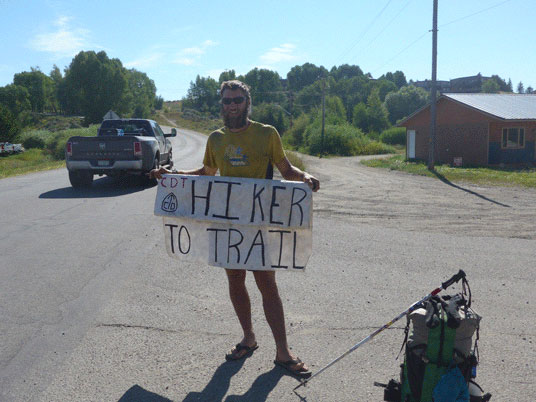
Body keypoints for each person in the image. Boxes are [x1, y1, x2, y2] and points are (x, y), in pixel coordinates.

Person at [149, 80, 320, 378]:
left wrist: (305, 176)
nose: (232, 105)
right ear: (222, 104)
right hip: (227, 225)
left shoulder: (267, 134)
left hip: (259, 224)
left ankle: (283, 352)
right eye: (227, 100)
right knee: (235, 281)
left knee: (268, 285)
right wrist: (172, 175)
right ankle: (248, 337)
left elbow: (287, 170)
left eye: (237, 100)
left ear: (247, 102)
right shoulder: (216, 139)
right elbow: (205, 174)